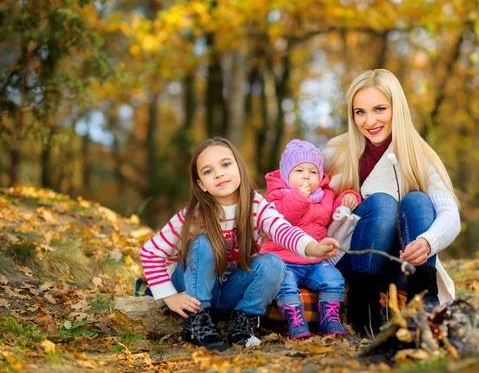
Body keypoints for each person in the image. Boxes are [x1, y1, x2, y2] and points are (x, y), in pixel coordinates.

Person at [140, 137, 339, 350]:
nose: (219, 173)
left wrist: (313, 248)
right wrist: (169, 296)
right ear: (201, 184)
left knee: (274, 262)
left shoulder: (255, 205)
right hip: (193, 290)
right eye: (208, 171)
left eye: (226, 164)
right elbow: (150, 253)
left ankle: (242, 321)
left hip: (229, 291)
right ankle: (198, 321)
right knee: (204, 243)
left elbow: (282, 230)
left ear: (239, 168)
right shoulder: (193, 215)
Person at [322, 69, 461, 336]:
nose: (369, 120)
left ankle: (422, 302)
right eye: (360, 112)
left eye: (380, 109)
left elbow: (450, 214)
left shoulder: (418, 154)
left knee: (419, 201)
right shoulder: (335, 151)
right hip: (352, 260)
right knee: (383, 203)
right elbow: (298, 190)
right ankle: (363, 307)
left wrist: (427, 242)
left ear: (396, 107)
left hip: (402, 263)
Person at [262, 139, 361, 339]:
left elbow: (336, 212)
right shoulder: (276, 195)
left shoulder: (325, 195)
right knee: (285, 284)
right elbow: (281, 218)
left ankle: (329, 319)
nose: (306, 176)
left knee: (334, 279)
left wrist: (349, 197)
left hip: (315, 261)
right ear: (285, 174)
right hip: (284, 260)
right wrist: (298, 197)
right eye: (299, 171)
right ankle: (295, 321)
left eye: (313, 171)